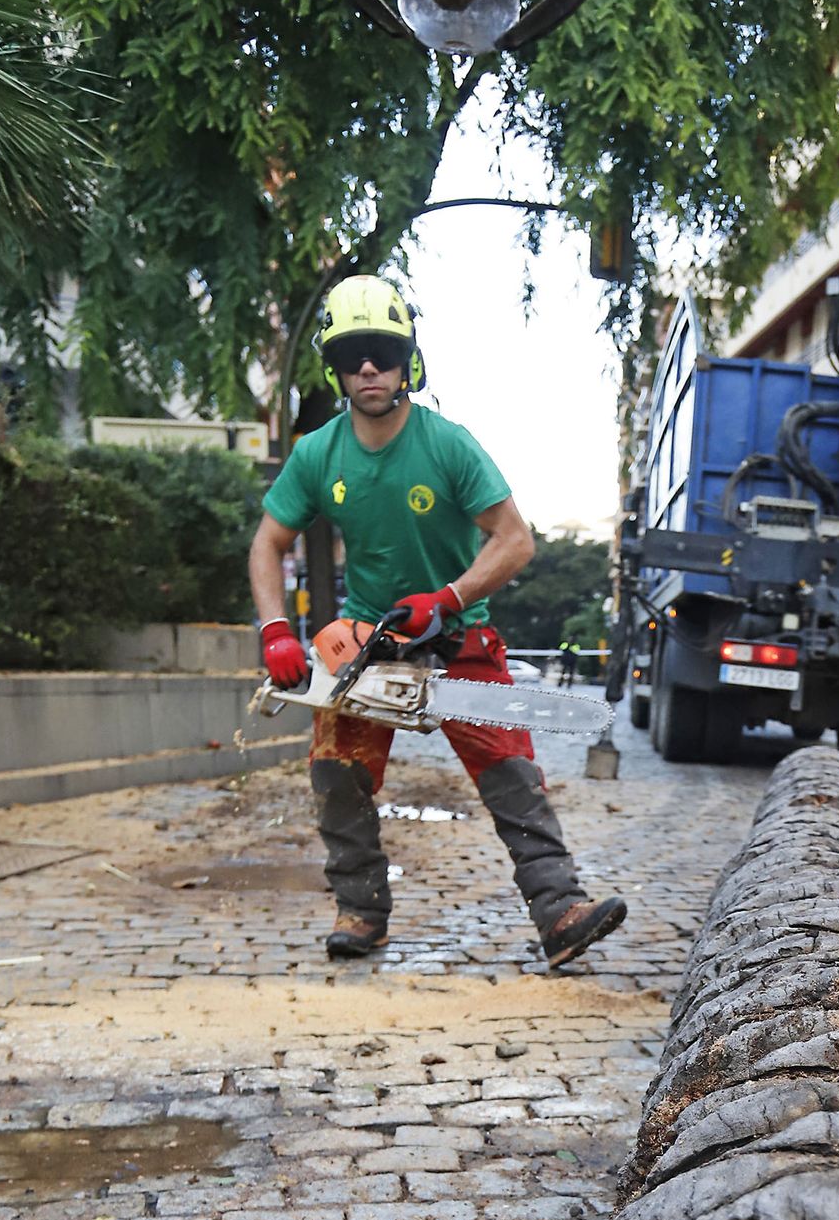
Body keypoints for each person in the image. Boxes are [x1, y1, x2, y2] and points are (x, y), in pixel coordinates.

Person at [249, 276, 626, 967]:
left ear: (406, 362)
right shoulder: (317, 454)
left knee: (512, 773)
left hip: (458, 636)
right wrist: (275, 629)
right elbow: (266, 542)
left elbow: (515, 539)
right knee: (338, 774)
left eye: (382, 352)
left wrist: (447, 597)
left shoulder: (448, 444)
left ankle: (559, 907)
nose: (369, 367)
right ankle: (360, 912)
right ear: (335, 366)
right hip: (367, 642)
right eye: (354, 353)